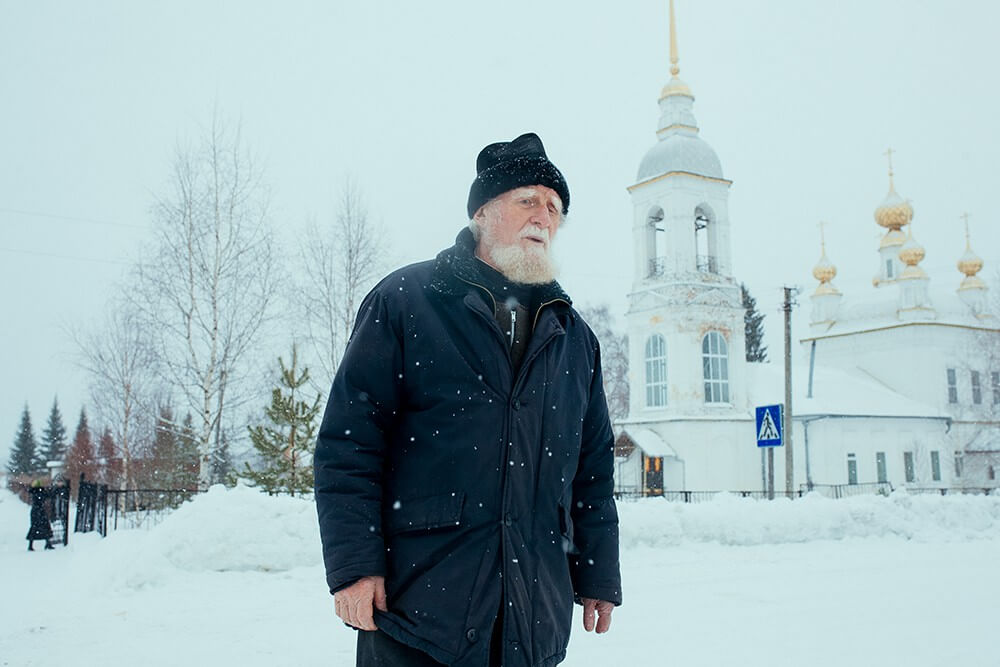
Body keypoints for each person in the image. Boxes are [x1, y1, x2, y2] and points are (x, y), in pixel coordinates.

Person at [315, 132, 621, 667]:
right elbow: (350, 444)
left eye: (554, 208)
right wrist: (354, 567)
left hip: (533, 616)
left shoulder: (576, 339)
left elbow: (592, 470)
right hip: (419, 610)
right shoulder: (407, 301)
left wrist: (597, 572)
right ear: (482, 212)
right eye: (527, 200)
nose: (543, 218)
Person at [26, 482, 54, 551]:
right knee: (45, 526)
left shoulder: (33, 491)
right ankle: (48, 543)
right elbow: (48, 495)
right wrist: (50, 489)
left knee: (34, 527)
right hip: (40, 511)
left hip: (35, 511)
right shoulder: (40, 492)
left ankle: (31, 545)